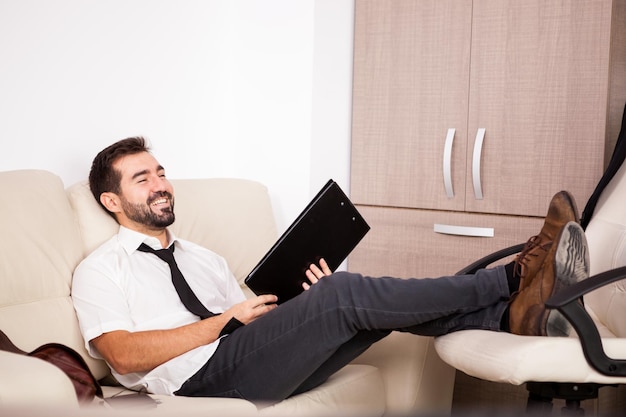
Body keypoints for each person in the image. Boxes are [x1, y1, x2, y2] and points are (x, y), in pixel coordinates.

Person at [71, 137, 590, 404]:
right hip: (197, 382)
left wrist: (305, 306)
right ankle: (510, 282)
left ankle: (514, 318)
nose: (161, 183)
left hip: (249, 358)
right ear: (111, 199)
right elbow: (120, 353)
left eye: (161, 172)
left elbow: (258, 326)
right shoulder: (100, 270)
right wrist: (224, 322)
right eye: (143, 178)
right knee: (345, 294)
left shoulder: (202, 258)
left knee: (354, 302)